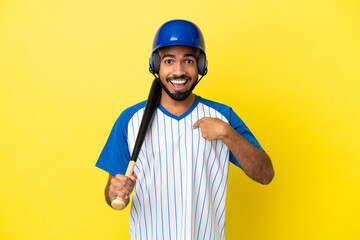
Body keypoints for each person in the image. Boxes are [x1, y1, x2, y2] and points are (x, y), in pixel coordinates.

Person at [96, 19, 274, 240]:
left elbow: (265, 174)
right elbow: (112, 192)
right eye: (169, 61)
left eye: (188, 61)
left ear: (199, 65)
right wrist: (114, 191)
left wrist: (228, 133)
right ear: (156, 66)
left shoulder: (222, 117)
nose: (178, 71)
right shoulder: (130, 120)